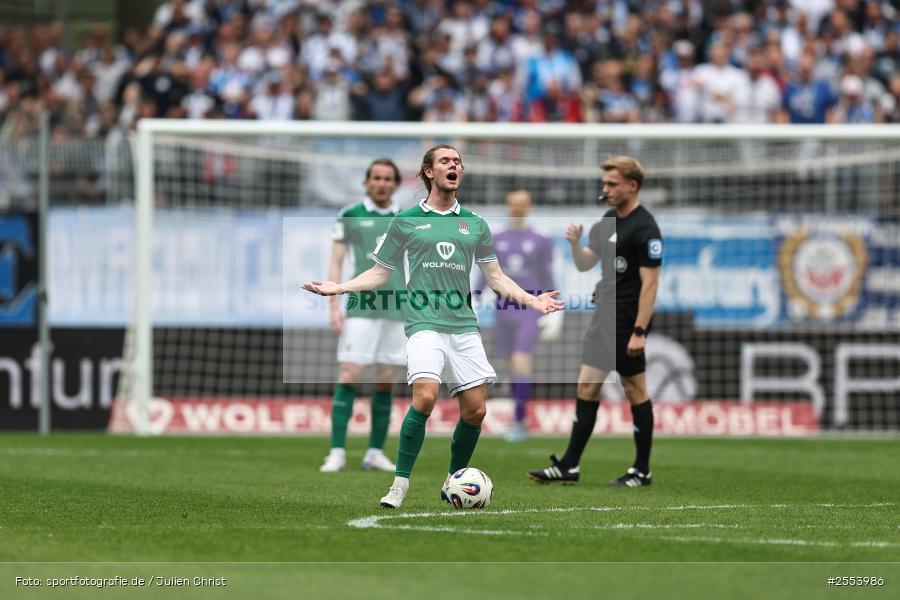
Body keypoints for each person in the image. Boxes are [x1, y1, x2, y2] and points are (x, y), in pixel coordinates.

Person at [303, 144, 565, 508]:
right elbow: (380, 272)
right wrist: (340, 287)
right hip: (423, 323)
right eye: (445, 161)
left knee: (475, 410)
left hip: (463, 327)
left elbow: (497, 278)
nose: (453, 165)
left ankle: (452, 480)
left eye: (457, 161)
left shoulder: (474, 223)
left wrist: (533, 300)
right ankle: (399, 484)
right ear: (429, 172)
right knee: (424, 397)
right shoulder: (407, 220)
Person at [528, 156, 662, 488]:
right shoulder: (607, 219)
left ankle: (642, 470)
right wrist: (575, 245)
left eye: (612, 184)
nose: (606, 189)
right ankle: (569, 465)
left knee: (635, 389)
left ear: (632, 186)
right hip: (603, 315)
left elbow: (651, 284)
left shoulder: (646, 228)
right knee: (587, 386)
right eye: (604, 184)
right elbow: (587, 263)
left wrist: (640, 331)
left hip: (627, 320)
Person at [319, 159, 406, 474]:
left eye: (387, 178)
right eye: (376, 178)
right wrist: (334, 304)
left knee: (385, 381)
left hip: (398, 308)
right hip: (361, 307)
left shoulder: (406, 217)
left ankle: (373, 453)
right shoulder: (351, 215)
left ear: (396, 184)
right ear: (366, 182)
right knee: (350, 375)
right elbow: (336, 261)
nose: (381, 183)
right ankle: (338, 452)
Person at [476, 189, 556, 442]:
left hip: (528, 312)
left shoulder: (541, 239)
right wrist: (474, 298)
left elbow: (547, 275)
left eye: (522, 204)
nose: (518, 208)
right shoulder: (496, 237)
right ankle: (518, 416)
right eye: (513, 204)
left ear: (529, 205)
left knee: (522, 362)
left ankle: (520, 421)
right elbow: (486, 273)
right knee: (511, 366)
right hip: (503, 312)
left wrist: (552, 310)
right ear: (507, 206)